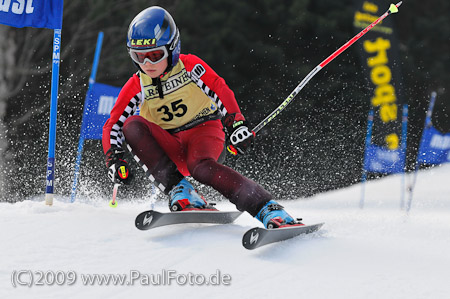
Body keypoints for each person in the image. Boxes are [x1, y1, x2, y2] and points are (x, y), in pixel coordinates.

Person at [102, 6, 301, 229]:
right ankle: (181, 190)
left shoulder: (189, 67)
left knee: (201, 168)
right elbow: (113, 125)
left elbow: (219, 89)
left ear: (172, 48)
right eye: (139, 57)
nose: (147, 64)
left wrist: (236, 125)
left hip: (203, 132)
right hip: (171, 146)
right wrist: (114, 158)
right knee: (132, 125)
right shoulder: (138, 83)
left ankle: (267, 208)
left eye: (155, 55)